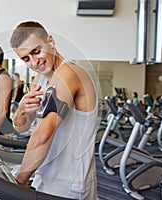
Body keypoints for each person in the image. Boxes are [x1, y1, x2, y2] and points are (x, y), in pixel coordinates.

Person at [10, 21, 99, 199]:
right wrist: (21, 108)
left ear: (50, 41)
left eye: (36, 51)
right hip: (45, 176)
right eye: (26, 58)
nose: (34, 62)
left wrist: (18, 182)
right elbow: (21, 127)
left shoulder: (69, 74)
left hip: (70, 183)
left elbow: (42, 136)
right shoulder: (40, 79)